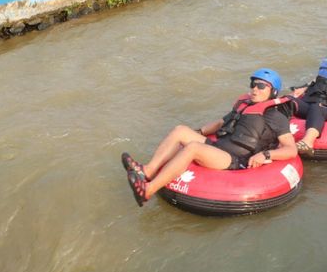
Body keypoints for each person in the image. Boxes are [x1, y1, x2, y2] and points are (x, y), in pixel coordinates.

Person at [121, 68, 297, 207]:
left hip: (236, 159)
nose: (254, 89)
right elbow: (221, 122)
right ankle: (148, 171)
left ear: (272, 92)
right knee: (180, 130)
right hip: (219, 146)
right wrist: (198, 132)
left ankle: (148, 190)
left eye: (261, 86)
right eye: (253, 84)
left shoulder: (275, 116)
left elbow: (291, 149)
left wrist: (266, 155)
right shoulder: (244, 105)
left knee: (193, 148)